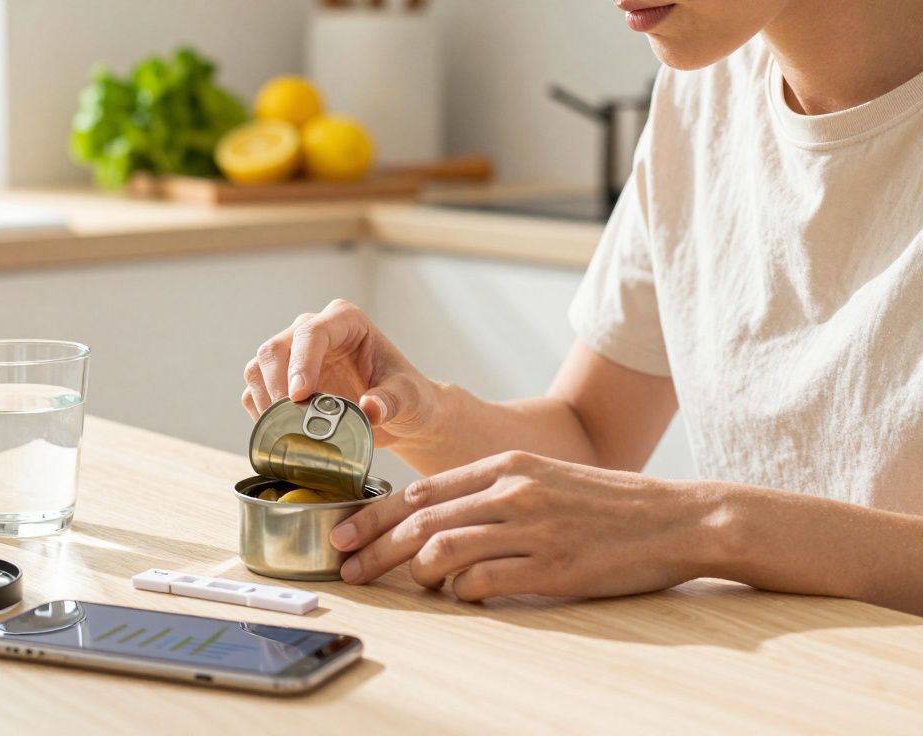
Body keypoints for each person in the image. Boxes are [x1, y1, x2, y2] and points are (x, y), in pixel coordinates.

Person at [241, 0, 923, 615]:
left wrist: (708, 527)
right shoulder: (703, 94)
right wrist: (422, 414)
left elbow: (688, 517)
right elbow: (593, 436)